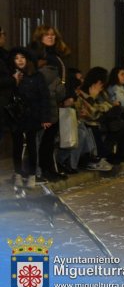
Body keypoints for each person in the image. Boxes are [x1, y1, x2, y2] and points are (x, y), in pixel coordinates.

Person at [30, 25, 74, 181]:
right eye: (47, 35)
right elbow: (44, 80)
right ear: (40, 37)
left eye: (53, 35)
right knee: (43, 139)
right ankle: (43, 169)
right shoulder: (39, 55)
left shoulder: (55, 54)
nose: (51, 37)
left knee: (51, 139)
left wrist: (66, 95)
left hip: (55, 100)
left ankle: (50, 168)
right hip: (45, 101)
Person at [7, 47, 51, 188]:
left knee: (32, 145)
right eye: (16, 58)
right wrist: (14, 81)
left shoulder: (37, 76)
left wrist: (45, 117)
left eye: (22, 57)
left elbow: (45, 97)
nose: (19, 61)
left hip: (33, 115)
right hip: (16, 116)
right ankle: (18, 174)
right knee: (17, 146)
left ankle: (32, 175)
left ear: (27, 59)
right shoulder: (11, 76)